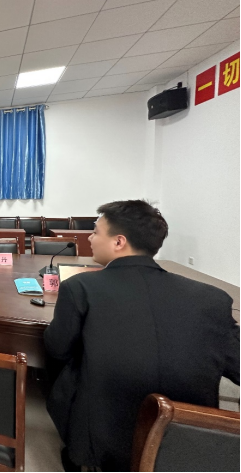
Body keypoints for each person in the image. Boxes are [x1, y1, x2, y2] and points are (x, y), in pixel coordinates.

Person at [44, 200, 239, 472]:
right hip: (185, 443)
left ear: (119, 242)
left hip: (102, 439)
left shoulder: (80, 287)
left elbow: (57, 349)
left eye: (95, 232)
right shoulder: (213, 300)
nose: (89, 238)